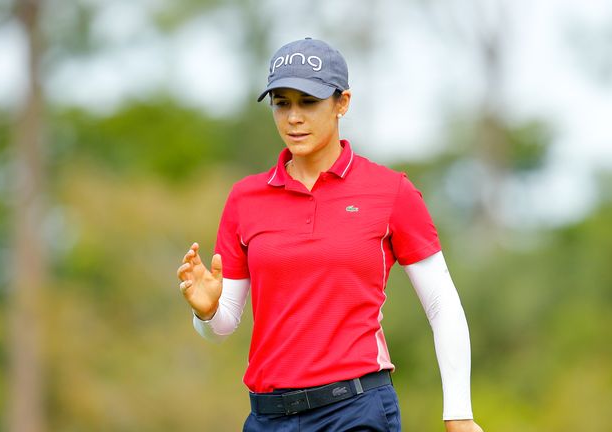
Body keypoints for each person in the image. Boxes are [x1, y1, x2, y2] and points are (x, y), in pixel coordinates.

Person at [176, 37, 483, 432]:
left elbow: (442, 304)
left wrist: (458, 413)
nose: (293, 117)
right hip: (269, 417)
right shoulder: (244, 198)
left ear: (342, 103)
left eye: (308, 102)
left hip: (355, 410)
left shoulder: (390, 191)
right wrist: (205, 312)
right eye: (281, 103)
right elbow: (222, 327)